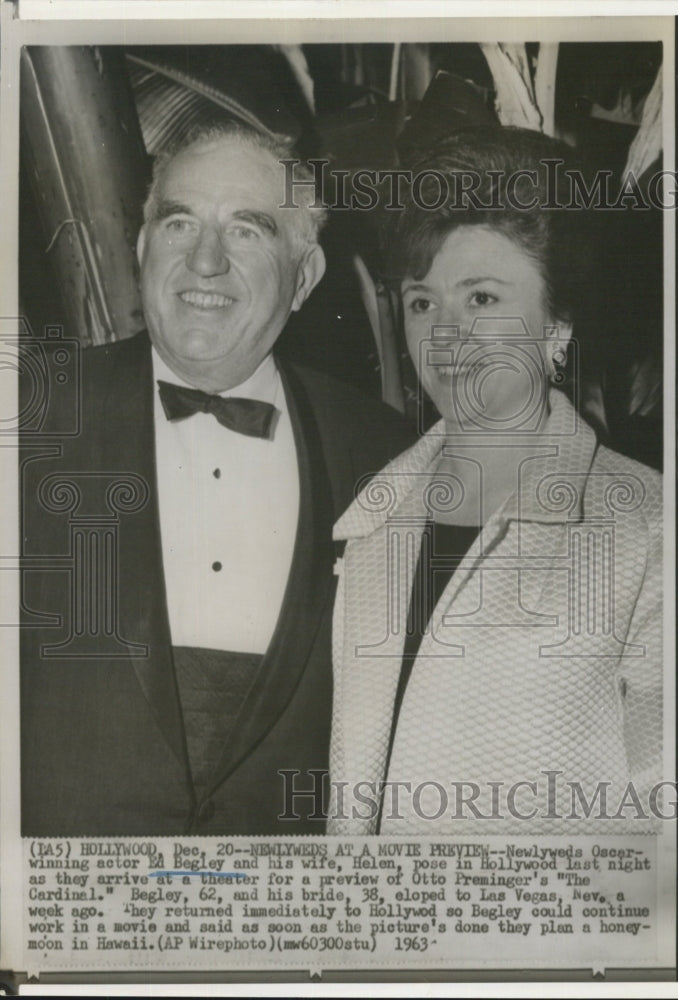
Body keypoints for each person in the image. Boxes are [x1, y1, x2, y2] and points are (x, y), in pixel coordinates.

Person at [19, 122, 413, 836]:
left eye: (247, 231)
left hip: (275, 920)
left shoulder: (386, 455)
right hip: (58, 911)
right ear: (141, 250)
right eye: (179, 223)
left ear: (305, 277)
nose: (204, 261)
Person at [327, 126, 663, 835]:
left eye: (480, 299)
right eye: (423, 302)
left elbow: (674, 838)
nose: (443, 337)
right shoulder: (372, 523)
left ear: (557, 326)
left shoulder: (649, 529)